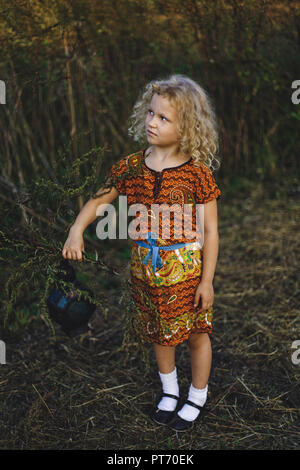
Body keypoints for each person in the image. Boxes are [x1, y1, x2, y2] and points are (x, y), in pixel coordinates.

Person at [62, 74, 221, 432]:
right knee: (157, 332)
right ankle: (169, 390)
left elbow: (210, 231)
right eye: (150, 113)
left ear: (187, 127)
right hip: (145, 273)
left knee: (196, 333)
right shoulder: (131, 167)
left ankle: (197, 394)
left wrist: (207, 281)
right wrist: (76, 230)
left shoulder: (197, 174)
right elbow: (98, 201)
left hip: (187, 272)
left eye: (163, 118)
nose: (152, 121)